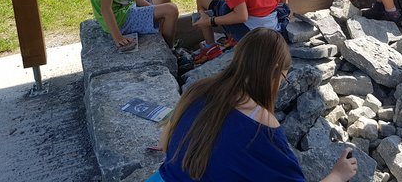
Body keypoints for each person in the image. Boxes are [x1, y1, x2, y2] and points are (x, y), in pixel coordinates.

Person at [147, 28, 358, 182]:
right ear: (275, 71)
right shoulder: (261, 123)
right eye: (284, 75)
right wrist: (337, 175)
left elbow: (166, 141)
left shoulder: (198, 89)